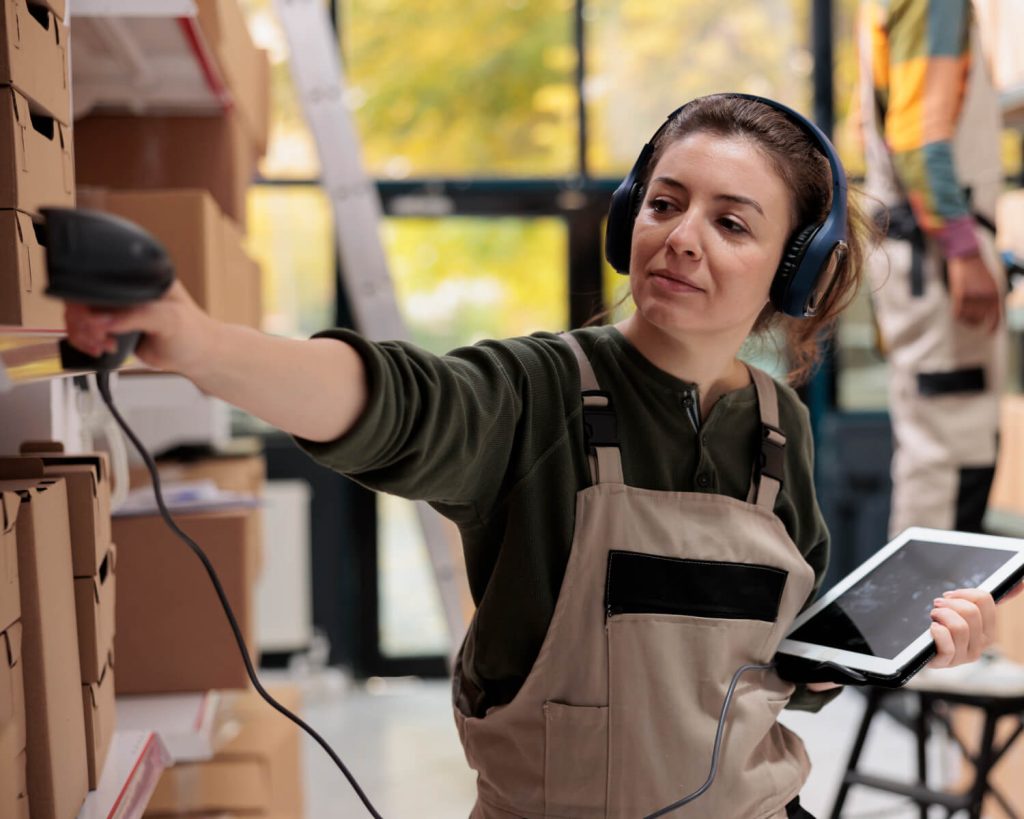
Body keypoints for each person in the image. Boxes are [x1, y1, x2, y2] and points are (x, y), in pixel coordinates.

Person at [64, 93, 1005, 819]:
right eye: (666, 203)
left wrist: (907, 645)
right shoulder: (539, 392)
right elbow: (391, 401)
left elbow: (778, 670)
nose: (680, 236)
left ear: (788, 270)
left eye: (731, 221)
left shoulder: (777, 430)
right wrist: (195, 342)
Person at [857, 0, 1006, 537]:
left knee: (934, 455)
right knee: (950, 458)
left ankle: (923, 615)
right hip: (938, 254)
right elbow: (919, 136)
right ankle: (928, 621)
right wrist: (964, 250)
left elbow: (871, 124)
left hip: (920, 250)